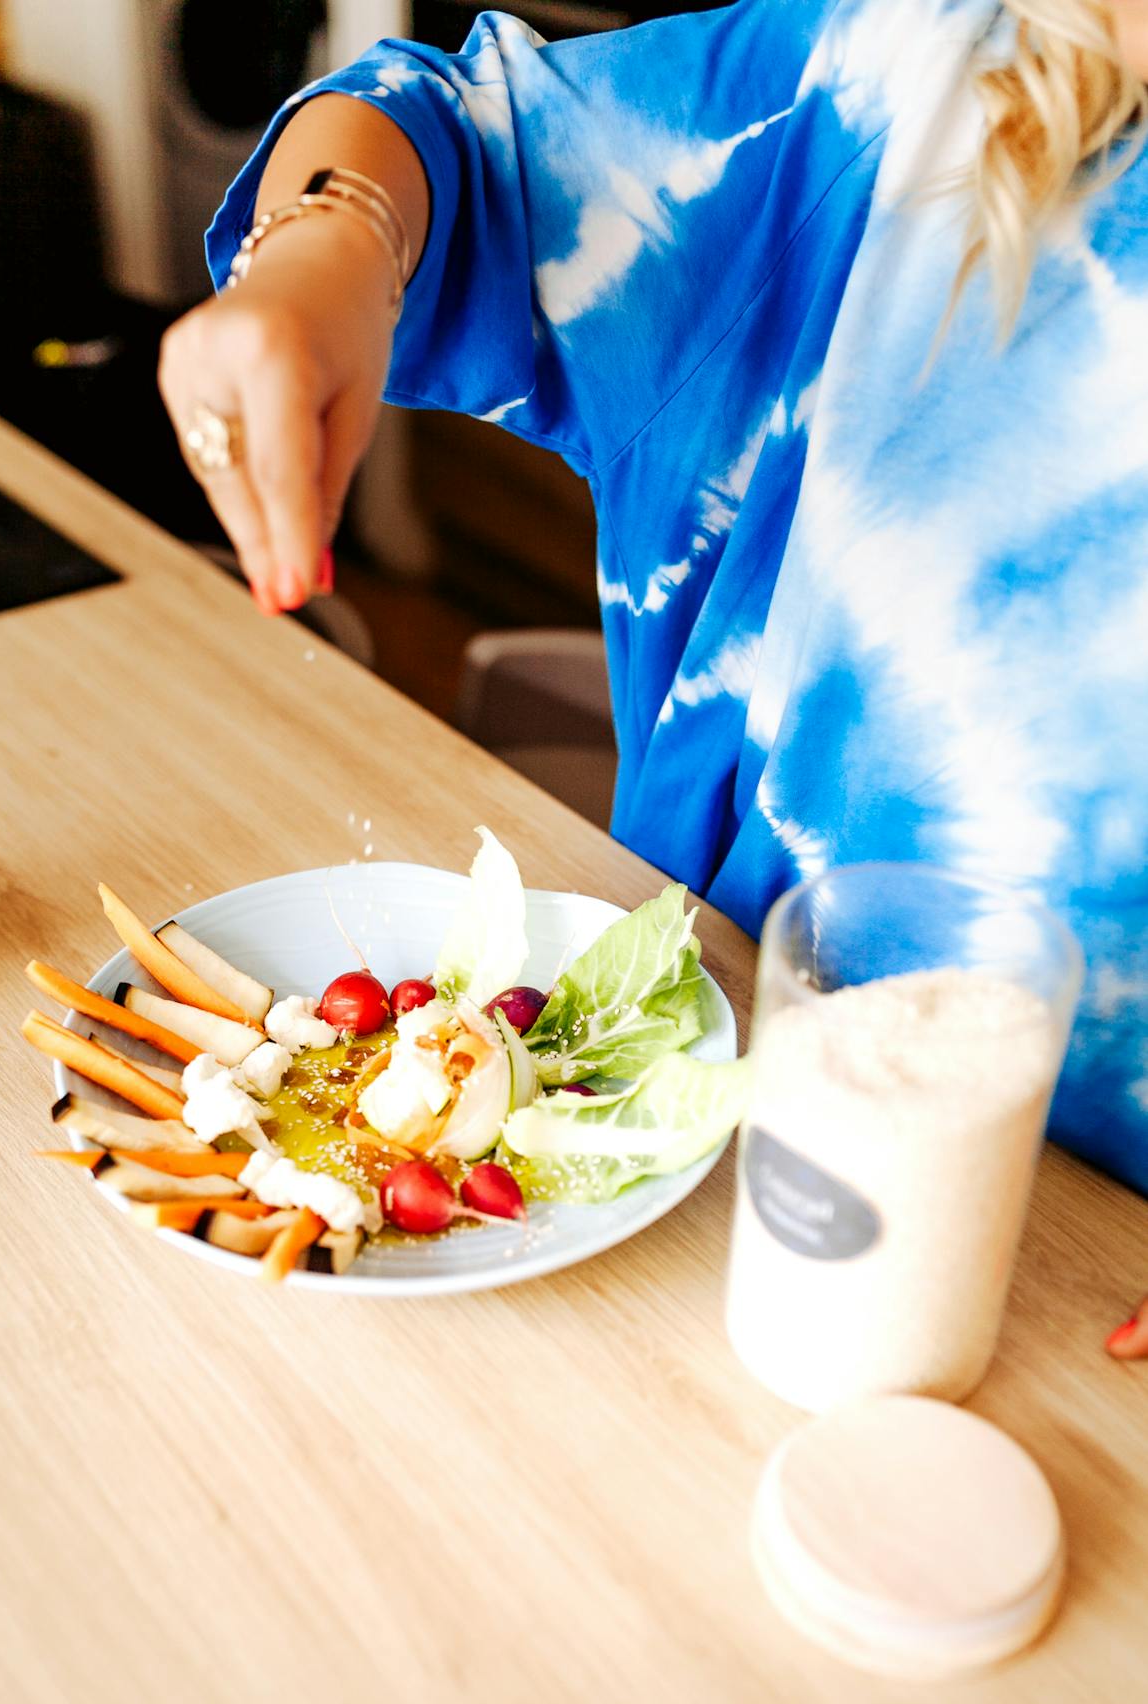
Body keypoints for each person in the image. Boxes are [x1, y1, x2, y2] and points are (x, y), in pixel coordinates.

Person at [157, 0, 1148, 1275]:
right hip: (699, 1169)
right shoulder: (907, 95)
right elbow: (454, 132)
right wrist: (327, 244)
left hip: (1092, 1280)